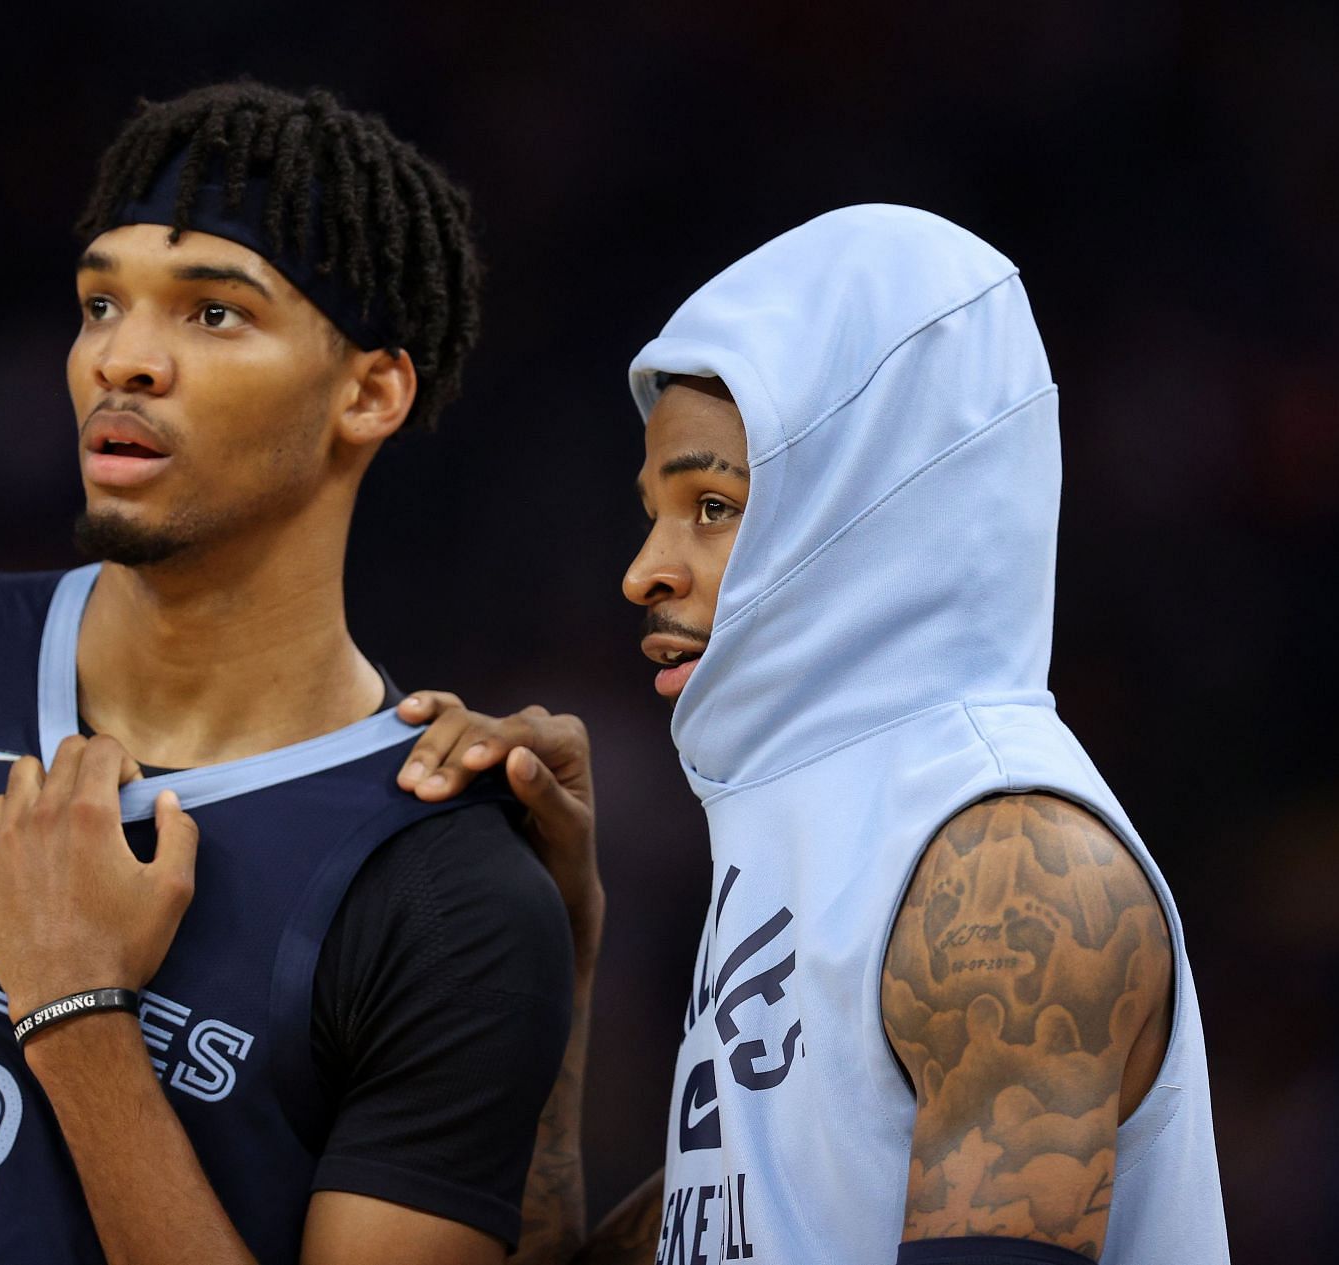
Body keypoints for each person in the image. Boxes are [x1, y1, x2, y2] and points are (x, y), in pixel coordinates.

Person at [0, 82, 576, 1265]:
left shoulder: (451, 902)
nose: (124, 358)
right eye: (101, 301)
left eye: (213, 314)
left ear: (370, 392)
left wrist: (78, 1015)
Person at [399, 205, 1231, 1263]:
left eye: (713, 504)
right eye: (654, 509)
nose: (643, 569)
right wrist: (550, 939)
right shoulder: (824, 837)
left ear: (876, 506)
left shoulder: (1010, 865)